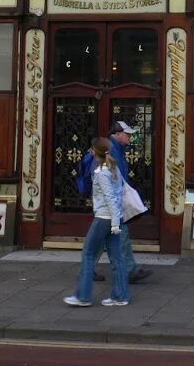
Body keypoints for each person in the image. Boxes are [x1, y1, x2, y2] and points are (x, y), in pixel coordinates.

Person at [77, 120, 152, 283]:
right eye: (128, 134)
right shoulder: (111, 150)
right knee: (119, 235)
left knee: (100, 238)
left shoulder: (113, 149)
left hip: (107, 203)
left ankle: (88, 270)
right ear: (118, 135)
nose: (130, 137)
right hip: (109, 204)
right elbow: (107, 178)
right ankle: (129, 271)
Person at [64, 137, 129, 307]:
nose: (90, 152)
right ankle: (120, 296)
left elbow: (110, 197)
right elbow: (120, 191)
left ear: (95, 152)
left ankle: (83, 296)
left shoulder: (101, 173)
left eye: (91, 150)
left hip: (104, 218)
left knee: (88, 254)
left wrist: (114, 222)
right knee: (117, 258)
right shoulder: (114, 168)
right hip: (115, 218)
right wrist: (117, 221)